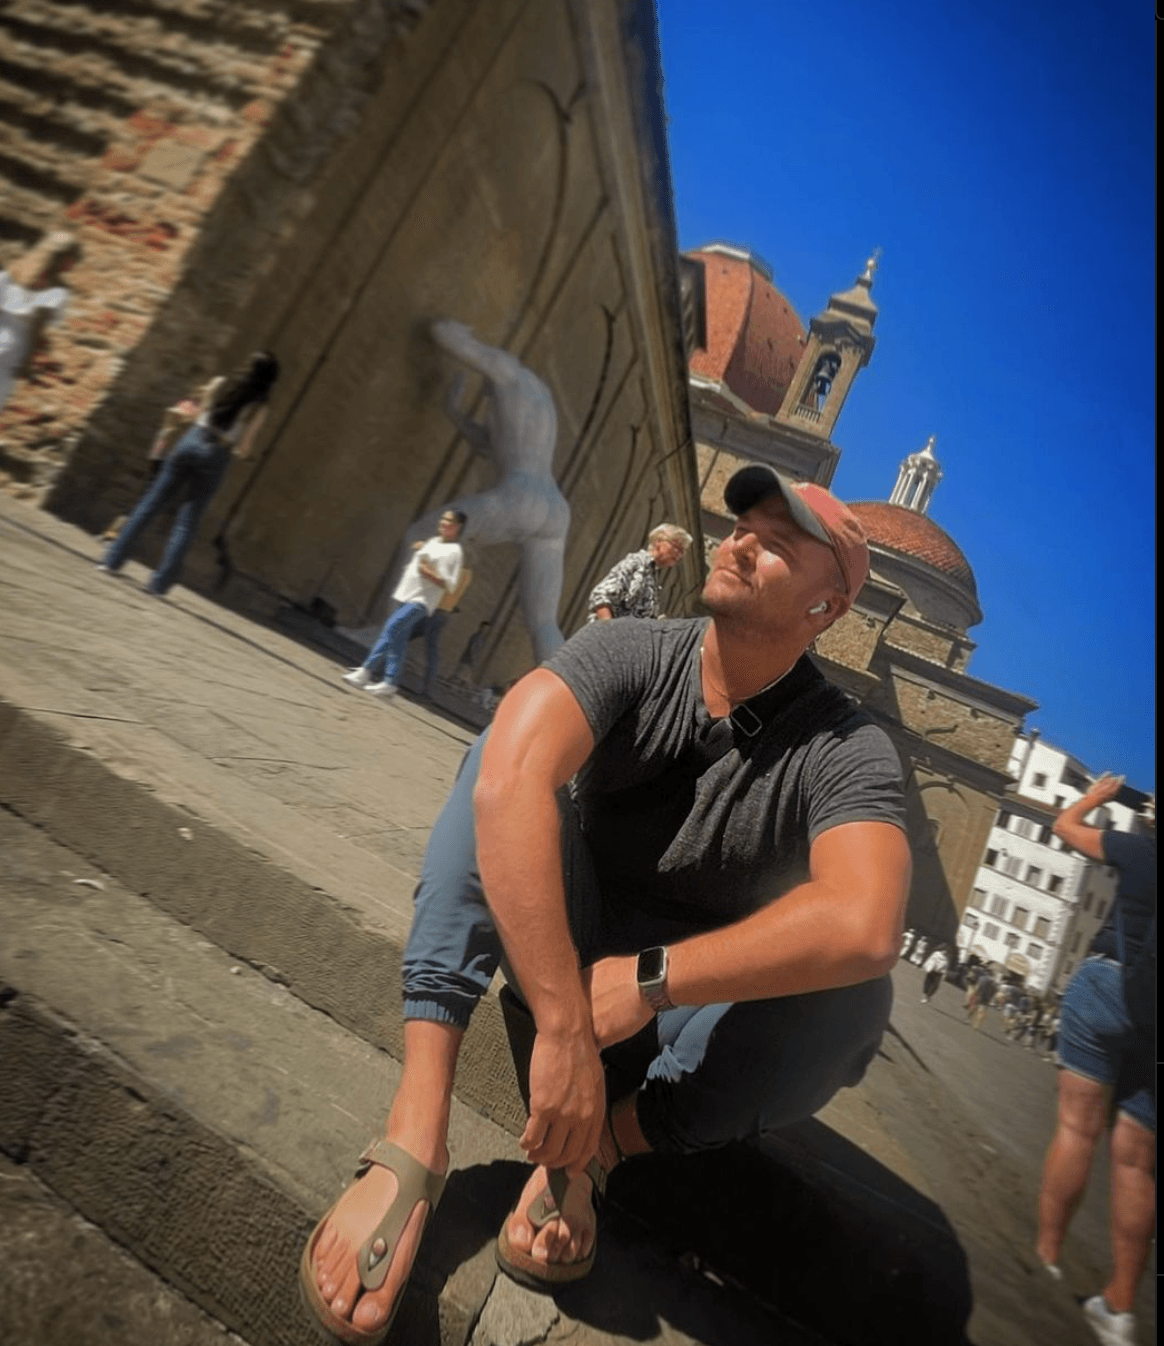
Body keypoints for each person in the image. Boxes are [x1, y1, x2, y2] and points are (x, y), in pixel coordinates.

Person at [299, 463, 911, 1341]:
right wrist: (562, 1025)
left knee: (857, 999)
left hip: (681, 1014)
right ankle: (417, 1125)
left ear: (826, 611)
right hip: (559, 955)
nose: (742, 542)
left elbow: (864, 921)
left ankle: (602, 1148)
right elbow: (513, 775)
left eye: (779, 546)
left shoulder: (846, 747)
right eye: (743, 527)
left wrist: (649, 980)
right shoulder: (632, 650)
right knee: (503, 760)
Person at [1035, 775, 1155, 1346]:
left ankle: (1048, 1256)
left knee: (1077, 1128)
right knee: (1137, 1165)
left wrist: (1099, 797)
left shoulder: (1140, 849)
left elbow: (1064, 827)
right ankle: (1122, 1309)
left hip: (1109, 986)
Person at [99, 352, 279, 595]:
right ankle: (159, 584)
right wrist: (244, 454)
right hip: (217, 454)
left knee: (152, 502)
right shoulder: (260, 405)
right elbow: (244, 445)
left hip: (192, 440)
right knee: (187, 522)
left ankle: (112, 561)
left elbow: (200, 412)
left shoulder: (220, 382)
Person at [343, 512, 466, 700]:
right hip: (404, 595)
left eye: (449, 521)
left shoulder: (455, 552)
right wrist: (421, 548)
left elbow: (448, 584)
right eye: (443, 519)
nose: (443, 523)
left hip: (422, 601)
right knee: (398, 639)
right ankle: (389, 683)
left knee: (391, 628)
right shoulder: (433, 541)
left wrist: (427, 570)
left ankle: (365, 671)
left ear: (457, 527)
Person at [0, 231, 79, 414]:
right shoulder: (57, 292)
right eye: (73, 259)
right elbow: (37, 328)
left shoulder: (10, 275)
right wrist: (27, 362)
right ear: (64, 258)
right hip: (14, 346)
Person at [586, 523, 693, 622]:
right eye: (676, 547)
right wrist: (608, 631)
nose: (680, 555)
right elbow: (601, 595)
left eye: (682, 551)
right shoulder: (636, 562)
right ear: (658, 542)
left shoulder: (653, 576)